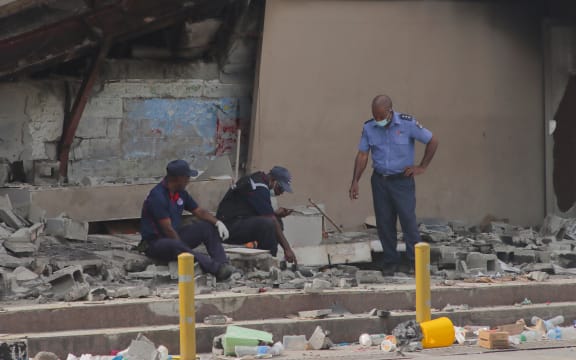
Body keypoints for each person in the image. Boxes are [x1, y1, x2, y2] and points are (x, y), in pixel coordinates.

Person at [349, 95, 439, 275]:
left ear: (390, 111)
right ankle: (391, 262)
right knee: (384, 223)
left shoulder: (408, 124)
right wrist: (355, 181)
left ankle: (415, 263)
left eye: (381, 117)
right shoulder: (369, 127)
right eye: (375, 116)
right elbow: (362, 155)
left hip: (402, 181)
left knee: (408, 221)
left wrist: (421, 167)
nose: (378, 120)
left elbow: (432, 141)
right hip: (380, 181)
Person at [139, 159, 235, 281]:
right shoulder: (157, 196)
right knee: (175, 244)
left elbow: (198, 211)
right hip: (156, 243)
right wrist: (183, 248)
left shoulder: (180, 193)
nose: (189, 180)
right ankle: (215, 269)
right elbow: (167, 229)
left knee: (206, 227)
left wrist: (217, 222)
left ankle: (223, 264)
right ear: (178, 178)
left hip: (175, 236)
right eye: (187, 177)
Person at [216, 166, 298, 264]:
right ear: (274, 181)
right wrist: (287, 249)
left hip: (236, 221)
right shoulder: (259, 187)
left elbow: (254, 210)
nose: (281, 193)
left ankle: (265, 258)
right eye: (280, 189)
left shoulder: (257, 178)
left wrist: (275, 214)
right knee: (269, 224)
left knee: (275, 222)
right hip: (227, 228)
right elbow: (271, 219)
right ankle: (268, 262)